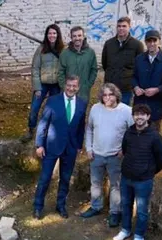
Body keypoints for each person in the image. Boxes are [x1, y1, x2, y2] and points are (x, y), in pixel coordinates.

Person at [113, 104, 162, 240]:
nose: (139, 117)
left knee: (142, 210)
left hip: (144, 180)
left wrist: (149, 171)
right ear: (133, 116)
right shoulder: (129, 133)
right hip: (126, 177)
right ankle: (125, 230)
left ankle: (139, 236)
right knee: (125, 205)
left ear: (148, 117)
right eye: (136, 114)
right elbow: (125, 150)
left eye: (143, 114)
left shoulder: (155, 137)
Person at [33, 75, 88, 220]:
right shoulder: (53, 100)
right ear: (65, 85)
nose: (71, 88)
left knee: (65, 178)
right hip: (51, 145)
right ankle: (38, 206)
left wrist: (78, 145)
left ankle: (61, 205)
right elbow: (43, 123)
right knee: (45, 178)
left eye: (74, 86)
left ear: (78, 87)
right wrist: (39, 144)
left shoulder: (82, 103)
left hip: (70, 147)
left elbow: (81, 126)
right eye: (69, 85)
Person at [81, 83, 133, 227]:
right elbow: (89, 129)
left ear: (116, 95)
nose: (108, 97)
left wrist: (125, 150)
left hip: (115, 156)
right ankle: (96, 206)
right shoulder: (95, 109)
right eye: (104, 95)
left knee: (116, 185)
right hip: (96, 154)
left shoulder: (127, 111)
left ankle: (115, 212)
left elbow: (132, 133)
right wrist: (89, 149)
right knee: (96, 183)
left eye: (110, 94)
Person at [26, 24, 65, 139]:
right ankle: (31, 129)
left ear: (58, 35)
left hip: (56, 85)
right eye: (49, 33)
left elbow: (66, 68)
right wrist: (37, 87)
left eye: (54, 33)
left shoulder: (63, 50)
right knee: (34, 108)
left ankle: (51, 131)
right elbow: (35, 68)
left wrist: (63, 86)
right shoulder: (41, 49)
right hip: (42, 84)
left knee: (54, 109)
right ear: (46, 35)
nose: (52, 35)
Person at [131, 29, 162, 130]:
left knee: (153, 132)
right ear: (145, 43)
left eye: (154, 41)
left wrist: (157, 89)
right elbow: (133, 77)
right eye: (149, 41)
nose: (152, 44)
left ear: (159, 42)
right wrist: (136, 87)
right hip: (140, 102)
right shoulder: (139, 59)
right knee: (139, 130)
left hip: (156, 104)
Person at [101, 17, 145, 105]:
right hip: (110, 87)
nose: (121, 28)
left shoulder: (137, 45)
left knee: (123, 113)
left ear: (129, 27)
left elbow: (140, 67)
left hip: (125, 88)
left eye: (124, 26)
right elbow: (105, 63)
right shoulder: (109, 43)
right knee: (109, 111)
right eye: (119, 26)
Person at [58, 26, 98, 102]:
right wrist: (64, 87)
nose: (77, 38)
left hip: (84, 92)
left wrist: (88, 85)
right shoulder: (65, 53)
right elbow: (60, 72)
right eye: (74, 36)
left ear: (83, 36)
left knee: (81, 112)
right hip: (68, 92)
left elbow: (94, 70)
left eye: (79, 35)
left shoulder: (90, 53)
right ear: (71, 37)